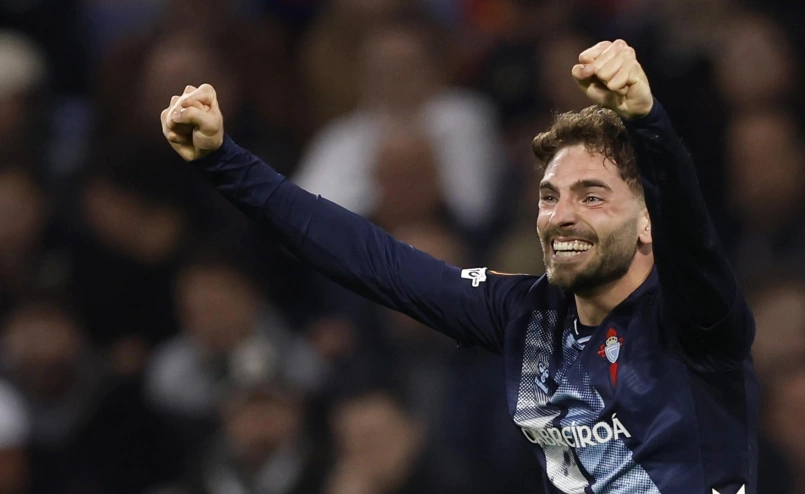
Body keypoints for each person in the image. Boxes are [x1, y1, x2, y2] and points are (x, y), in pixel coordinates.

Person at [160, 39, 758, 493]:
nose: (562, 215)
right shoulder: (524, 314)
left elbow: (691, 231)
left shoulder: (695, 318)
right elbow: (370, 258)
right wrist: (223, 160)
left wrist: (647, 121)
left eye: (593, 195)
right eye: (550, 196)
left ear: (647, 223)